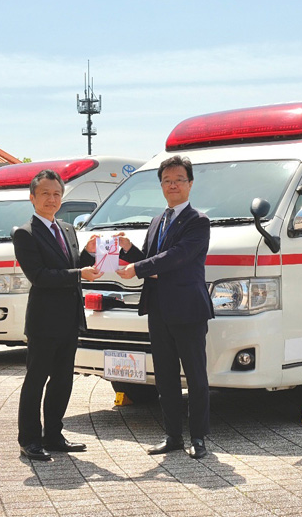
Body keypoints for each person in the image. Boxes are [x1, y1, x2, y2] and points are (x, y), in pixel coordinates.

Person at [115, 155, 214, 459]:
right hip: (158, 309)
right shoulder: (158, 219)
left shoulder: (198, 221)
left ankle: (198, 438)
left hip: (188, 310)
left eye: (179, 180)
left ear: (190, 184)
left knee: (196, 378)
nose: (173, 185)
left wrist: (138, 267)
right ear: (161, 185)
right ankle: (172, 436)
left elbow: (175, 257)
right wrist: (129, 251)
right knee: (165, 377)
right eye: (167, 181)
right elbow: (150, 257)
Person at [12, 169, 103, 461]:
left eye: (56, 194)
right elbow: (40, 276)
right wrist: (80, 272)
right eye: (45, 194)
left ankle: (53, 435)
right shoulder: (25, 233)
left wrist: (87, 255)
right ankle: (29, 439)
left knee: (63, 380)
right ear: (32, 197)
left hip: (69, 318)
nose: (52, 199)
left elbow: (71, 265)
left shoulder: (66, 229)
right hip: (43, 321)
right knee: (36, 380)